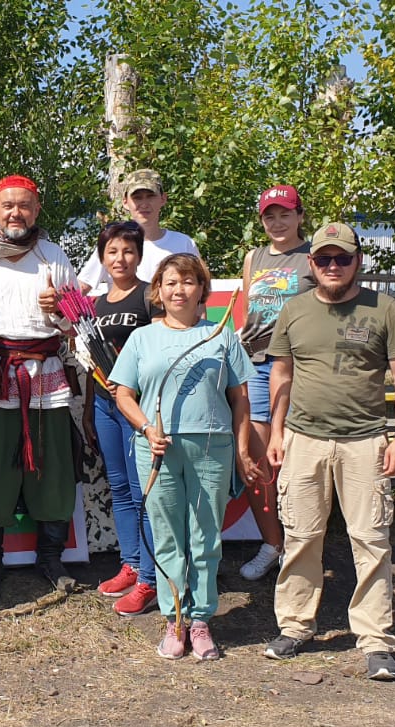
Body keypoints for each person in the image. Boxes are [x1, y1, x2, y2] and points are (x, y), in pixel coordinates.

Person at [264, 221, 395, 682]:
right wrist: (276, 432)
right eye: (324, 259)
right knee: (301, 537)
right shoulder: (293, 310)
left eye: (342, 258)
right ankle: (295, 626)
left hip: (365, 441)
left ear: (358, 262)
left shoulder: (383, 309)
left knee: (370, 540)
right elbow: (281, 374)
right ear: (311, 263)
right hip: (303, 439)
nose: (333, 266)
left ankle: (375, 641)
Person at [111, 253, 260, 659]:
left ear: (202, 290)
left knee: (205, 535)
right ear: (158, 290)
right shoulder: (143, 338)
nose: (179, 290)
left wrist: (243, 448)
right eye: (171, 282)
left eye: (189, 281)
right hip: (157, 448)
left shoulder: (221, 336)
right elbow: (123, 393)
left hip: (212, 447)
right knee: (167, 535)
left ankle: (201, 620)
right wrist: (146, 427)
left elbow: (240, 397)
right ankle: (173, 618)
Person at [0, 174, 79, 605]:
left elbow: (74, 325)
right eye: (8, 205)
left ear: (37, 210)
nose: (16, 213)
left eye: (25, 206)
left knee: (50, 468)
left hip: (45, 374)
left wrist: (59, 311)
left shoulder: (53, 256)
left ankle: (51, 558)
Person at [81, 221, 164, 616]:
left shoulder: (151, 296)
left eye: (128, 251)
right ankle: (131, 563)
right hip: (102, 405)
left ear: (140, 255)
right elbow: (89, 363)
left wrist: (132, 386)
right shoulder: (95, 305)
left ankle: (150, 578)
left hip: (138, 408)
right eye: (112, 252)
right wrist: (88, 408)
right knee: (119, 489)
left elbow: (164, 349)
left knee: (142, 489)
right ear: (102, 258)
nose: (120, 259)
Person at [236, 185, 316, 581]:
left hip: (297, 366)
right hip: (255, 364)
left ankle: (301, 550)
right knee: (255, 462)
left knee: (293, 463)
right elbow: (248, 313)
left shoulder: (315, 256)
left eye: (285, 214)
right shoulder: (255, 257)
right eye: (270, 215)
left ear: (300, 216)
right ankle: (273, 544)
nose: (278, 222)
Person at [76, 169, 200, 294]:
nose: (144, 204)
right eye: (137, 198)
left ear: (163, 198)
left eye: (150, 196)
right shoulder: (111, 245)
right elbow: (82, 287)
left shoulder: (184, 243)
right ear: (125, 202)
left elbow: (198, 297)